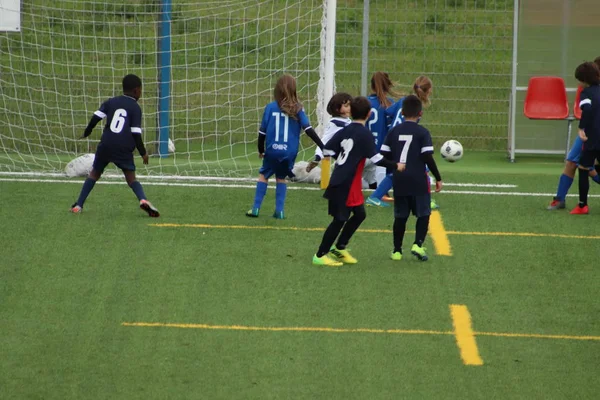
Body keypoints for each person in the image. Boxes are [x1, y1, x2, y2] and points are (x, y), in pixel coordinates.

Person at [312, 96, 404, 267]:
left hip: (344, 181)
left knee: (360, 214)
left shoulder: (344, 131)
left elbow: (327, 149)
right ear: (369, 114)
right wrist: (395, 165)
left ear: (351, 112)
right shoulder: (364, 134)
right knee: (339, 220)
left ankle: (339, 247)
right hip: (345, 183)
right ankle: (320, 254)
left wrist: (343, 154)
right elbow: (376, 159)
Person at [70, 74, 159, 217]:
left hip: (106, 144)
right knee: (131, 179)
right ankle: (143, 199)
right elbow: (135, 133)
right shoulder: (135, 108)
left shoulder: (111, 102)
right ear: (136, 90)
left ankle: (78, 205)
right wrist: (143, 152)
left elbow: (96, 117)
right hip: (123, 148)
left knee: (94, 174)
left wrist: (87, 131)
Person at [246, 74, 324, 219]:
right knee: (281, 178)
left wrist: (261, 150)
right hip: (289, 152)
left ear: (277, 90)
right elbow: (308, 129)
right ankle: (279, 211)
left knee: (263, 176)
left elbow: (262, 133)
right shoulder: (298, 109)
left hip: (272, 150)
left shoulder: (270, 107)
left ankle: (255, 208)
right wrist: (322, 145)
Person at [381, 95, 442, 261]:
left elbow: (383, 156)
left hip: (400, 179)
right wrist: (438, 177)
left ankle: (397, 251)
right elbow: (428, 157)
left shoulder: (394, 131)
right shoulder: (423, 132)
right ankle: (418, 244)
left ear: (402, 112)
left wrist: (395, 164)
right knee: (423, 213)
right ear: (420, 113)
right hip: (418, 180)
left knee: (400, 216)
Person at [367, 75, 435, 208]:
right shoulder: (417, 106)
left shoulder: (404, 100)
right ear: (429, 91)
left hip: (393, 138)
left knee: (397, 170)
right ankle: (426, 200)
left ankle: (376, 196)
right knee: (422, 167)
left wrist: (390, 125)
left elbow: (388, 112)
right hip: (401, 140)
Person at [548, 56, 600, 210]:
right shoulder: (590, 90)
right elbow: (588, 111)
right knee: (573, 162)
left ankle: (580, 205)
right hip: (590, 131)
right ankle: (560, 199)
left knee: (585, 166)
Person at [571, 61, 600, 215]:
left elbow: (587, 110)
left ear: (584, 80)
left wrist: (582, 128)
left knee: (583, 168)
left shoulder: (586, 93)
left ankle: (583, 205)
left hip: (593, 137)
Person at [362, 72, 400, 192]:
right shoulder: (389, 104)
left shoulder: (364, 102)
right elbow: (391, 129)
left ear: (371, 85)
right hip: (381, 154)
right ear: (387, 86)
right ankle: (381, 191)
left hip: (364, 153)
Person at [306, 92, 353, 173]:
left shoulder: (348, 121)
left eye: (350, 105)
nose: (349, 108)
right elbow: (325, 140)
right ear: (336, 109)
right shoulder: (335, 123)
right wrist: (317, 157)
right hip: (343, 155)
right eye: (346, 106)